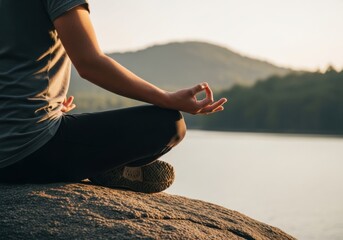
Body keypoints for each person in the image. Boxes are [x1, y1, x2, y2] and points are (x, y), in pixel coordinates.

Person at [0, 0, 227, 193]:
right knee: (170, 124)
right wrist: (167, 98)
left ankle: (98, 163)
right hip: (28, 150)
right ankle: (105, 166)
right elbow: (90, 63)